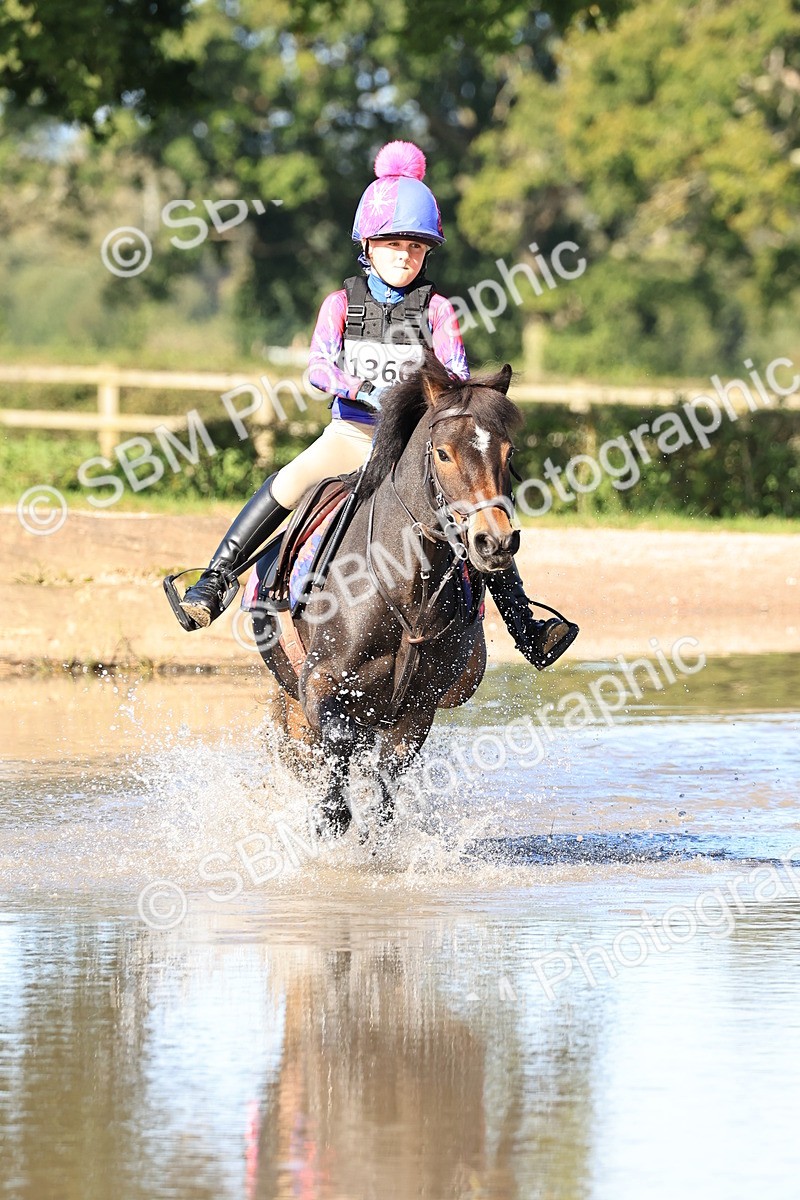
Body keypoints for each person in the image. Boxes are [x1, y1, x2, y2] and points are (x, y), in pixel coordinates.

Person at [169, 140, 578, 669]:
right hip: (351, 436)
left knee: (480, 510)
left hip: (414, 446)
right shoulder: (340, 304)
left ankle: (525, 626)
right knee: (288, 485)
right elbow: (317, 366)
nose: (404, 256)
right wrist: (359, 389)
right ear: (368, 246)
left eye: (415, 247)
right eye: (392, 245)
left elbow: (453, 376)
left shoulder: (438, 310)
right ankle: (214, 581)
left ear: (428, 251)